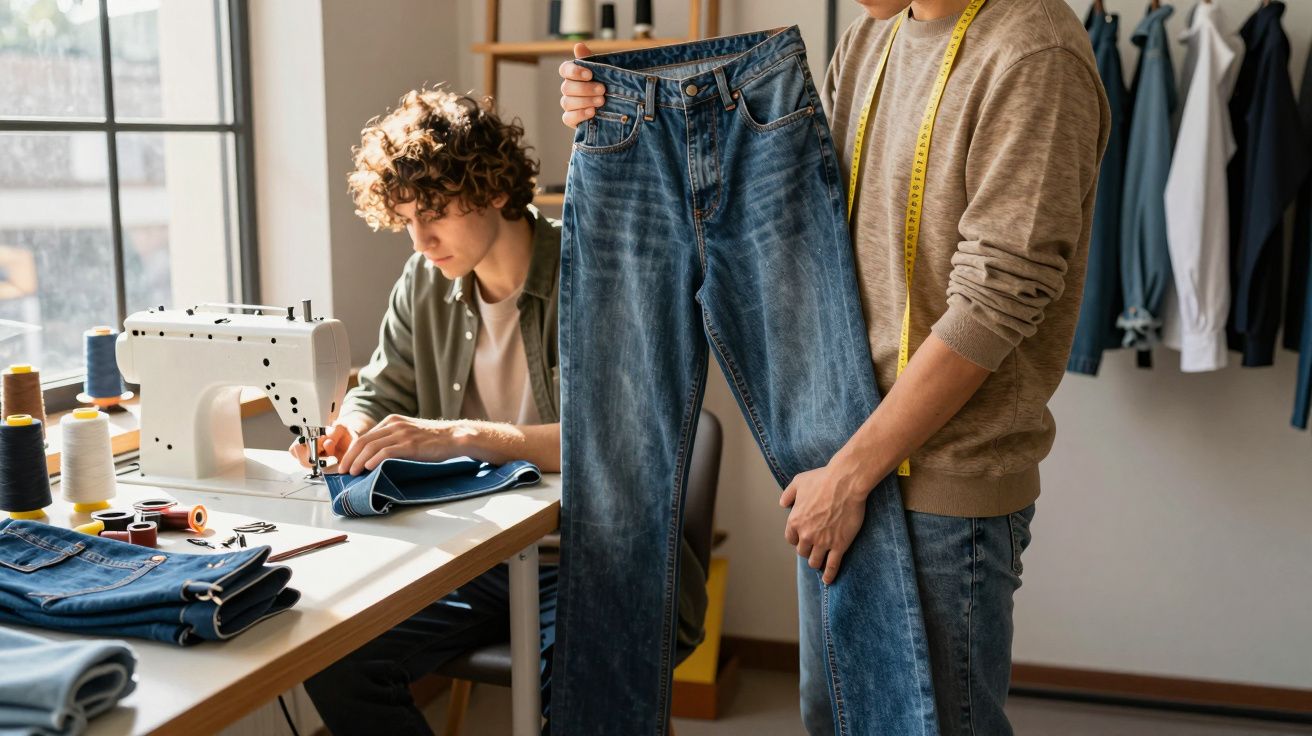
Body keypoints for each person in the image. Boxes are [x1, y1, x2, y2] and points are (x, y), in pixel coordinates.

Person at [558, 0, 1109, 732]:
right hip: (837, 468)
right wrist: (627, 110)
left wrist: (850, 474)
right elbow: (804, 220)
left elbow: (998, 301)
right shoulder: (873, 34)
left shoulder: (1034, 53)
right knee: (831, 720)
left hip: (936, 487)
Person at [296, 86, 706, 735]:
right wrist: (351, 429)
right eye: (406, 219)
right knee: (332, 656)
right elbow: (382, 388)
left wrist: (461, 435)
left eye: (434, 212)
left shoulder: (595, 271)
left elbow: (620, 441)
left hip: (599, 557)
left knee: (581, 687)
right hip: (471, 558)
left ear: (490, 187)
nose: (420, 240)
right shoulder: (424, 283)